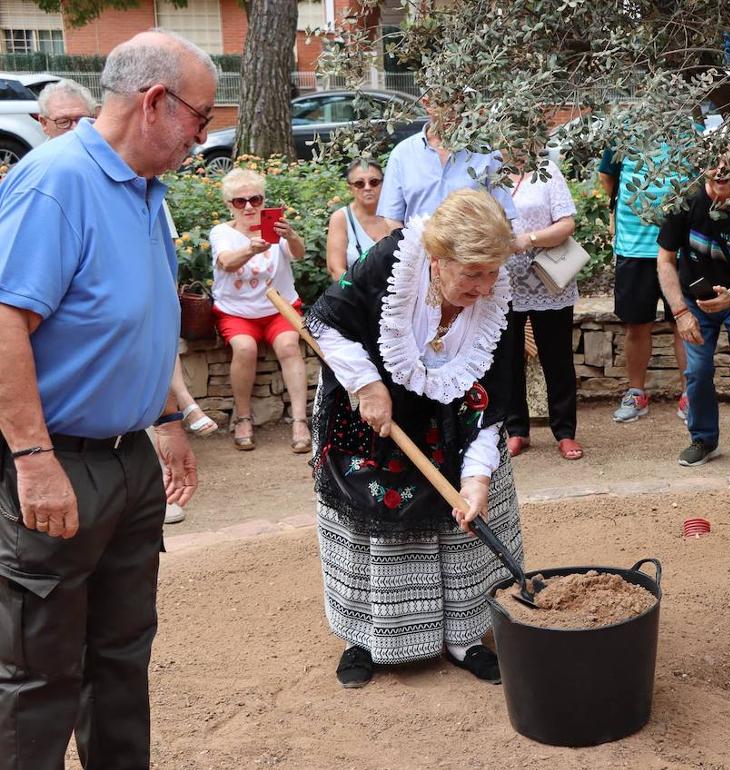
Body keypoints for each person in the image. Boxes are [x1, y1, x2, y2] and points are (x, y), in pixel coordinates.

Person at [0, 30, 213, 768]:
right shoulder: (57, 181)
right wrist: (31, 459)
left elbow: (142, 316)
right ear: (155, 102)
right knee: (38, 675)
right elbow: (3, 322)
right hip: (60, 463)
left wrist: (166, 416)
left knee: (121, 661)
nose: (202, 137)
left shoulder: (146, 190)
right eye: (201, 119)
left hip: (127, 464)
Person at [305, 189, 521, 688]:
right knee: (368, 529)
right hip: (369, 412)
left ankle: (465, 636)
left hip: (453, 420)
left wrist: (477, 478)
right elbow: (325, 323)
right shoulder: (391, 262)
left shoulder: (496, 297)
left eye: (492, 272)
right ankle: (361, 636)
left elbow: (494, 397)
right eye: (473, 274)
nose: (486, 286)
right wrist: (367, 383)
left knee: (468, 518)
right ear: (439, 260)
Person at [657, 161, 730, 472]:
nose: (721, 171)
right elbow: (665, 260)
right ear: (704, 168)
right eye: (714, 164)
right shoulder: (684, 203)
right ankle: (703, 440)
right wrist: (680, 312)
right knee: (697, 368)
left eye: (729, 165)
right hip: (694, 303)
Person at [209, 168, 310, 453]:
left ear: (264, 201)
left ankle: (300, 421)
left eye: (255, 199)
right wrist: (251, 250)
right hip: (237, 311)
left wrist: (291, 236)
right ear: (230, 205)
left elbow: (299, 254)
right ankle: (242, 418)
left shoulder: (274, 228)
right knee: (244, 348)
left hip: (279, 306)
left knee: (289, 346)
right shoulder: (223, 233)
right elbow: (227, 262)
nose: (250, 206)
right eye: (241, 201)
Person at [502, 154, 582, 460]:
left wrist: (529, 239)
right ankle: (516, 430)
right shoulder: (488, 173)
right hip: (502, 282)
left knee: (557, 357)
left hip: (548, 279)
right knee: (507, 358)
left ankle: (565, 432)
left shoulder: (547, 171)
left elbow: (567, 223)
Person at [599, 147, 688, 422]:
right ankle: (636, 393)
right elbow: (607, 179)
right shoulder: (623, 135)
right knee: (636, 325)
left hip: (681, 251)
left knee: (685, 325)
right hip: (634, 249)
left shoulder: (691, 129)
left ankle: (690, 396)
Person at [377, 94, 517, 224]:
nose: (454, 112)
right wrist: (411, 247)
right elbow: (392, 217)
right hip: (418, 247)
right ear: (427, 105)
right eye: (446, 104)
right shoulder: (403, 154)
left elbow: (504, 215)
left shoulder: (487, 153)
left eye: (460, 104)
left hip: (471, 248)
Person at [326, 158, 401, 283]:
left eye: (374, 182)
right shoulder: (341, 218)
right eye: (359, 183)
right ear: (350, 188)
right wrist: (359, 292)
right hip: (357, 296)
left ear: (384, 184)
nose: (367, 188)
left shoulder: (396, 215)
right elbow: (335, 269)